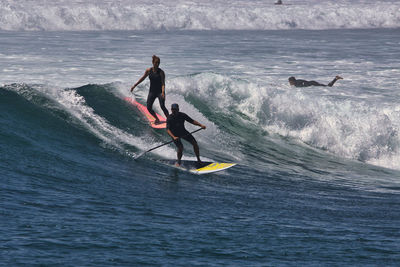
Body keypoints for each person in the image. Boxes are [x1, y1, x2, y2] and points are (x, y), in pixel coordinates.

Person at [130, 55, 169, 124]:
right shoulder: (149, 70)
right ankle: (157, 119)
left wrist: (163, 92)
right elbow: (142, 78)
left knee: (162, 106)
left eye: (158, 63)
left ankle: (169, 119)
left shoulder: (161, 72)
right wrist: (134, 85)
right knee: (149, 107)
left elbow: (163, 83)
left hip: (160, 92)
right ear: (153, 62)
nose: (157, 64)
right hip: (152, 92)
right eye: (156, 63)